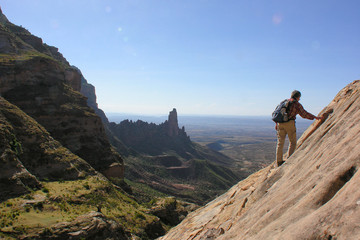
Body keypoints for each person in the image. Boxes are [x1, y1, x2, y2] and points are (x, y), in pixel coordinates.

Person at [275, 90, 322, 167]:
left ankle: (279, 161)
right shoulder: (296, 104)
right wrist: (315, 117)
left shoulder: (283, 102)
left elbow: (277, 113)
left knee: (280, 143)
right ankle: (289, 161)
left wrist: (276, 123)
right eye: (299, 97)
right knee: (293, 142)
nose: (299, 99)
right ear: (298, 97)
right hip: (289, 123)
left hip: (280, 123)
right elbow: (304, 114)